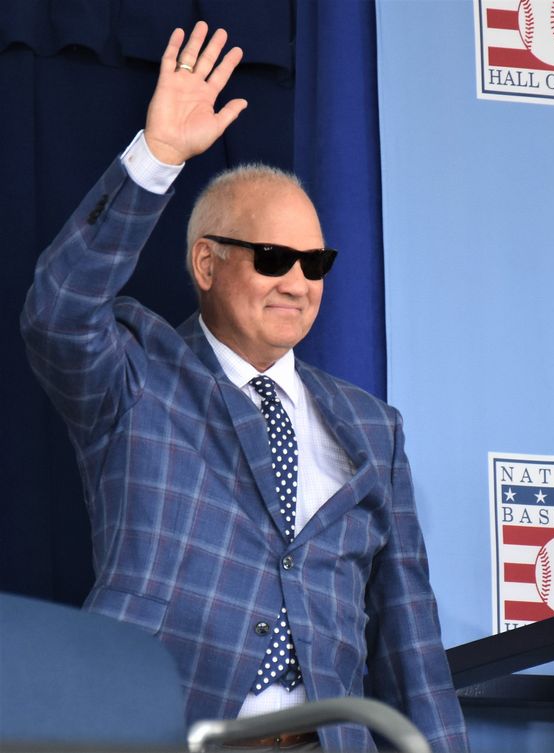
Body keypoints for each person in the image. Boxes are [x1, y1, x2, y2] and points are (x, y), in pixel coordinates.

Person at [20, 22, 468, 752]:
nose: (296, 281)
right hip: (154, 726)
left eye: (313, 262)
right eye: (270, 257)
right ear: (206, 264)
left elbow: (408, 638)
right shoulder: (136, 371)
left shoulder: (372, 426)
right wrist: (157, 157)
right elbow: (59, 309)